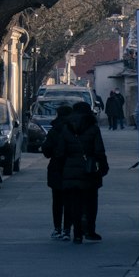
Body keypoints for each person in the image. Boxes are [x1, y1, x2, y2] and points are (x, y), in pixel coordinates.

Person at [50, 101, 109, 243]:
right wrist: (103, 167)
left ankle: (76, 233)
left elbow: (60, 152)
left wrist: (60, 169)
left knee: (73, 202)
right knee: (90, 201)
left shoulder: (67, 127)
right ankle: (89, 229)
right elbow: (99, 150)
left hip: (70, 169)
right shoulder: (93, 128)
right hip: (89, 169)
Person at [41, 104, 75, 239]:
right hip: (72, 169)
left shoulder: (54, 130)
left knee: (57, 201)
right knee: (70, 201)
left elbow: (47, 150)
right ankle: (67, 229)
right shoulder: (75, 129)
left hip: (56, 168)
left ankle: (57, 228)